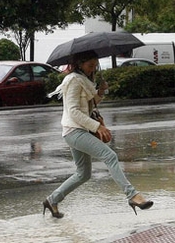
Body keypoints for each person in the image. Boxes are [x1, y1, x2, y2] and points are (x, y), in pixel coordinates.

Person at [43, 50, 153, 218]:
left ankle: (52, 200)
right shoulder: (73, 80)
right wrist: (97, 127)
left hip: (78, 130)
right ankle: (133, 196)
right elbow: (73, 111)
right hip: (74, 131)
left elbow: (88, 105)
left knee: (83, 173)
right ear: (80, 64)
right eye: (89, 65)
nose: (92, 69)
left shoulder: (84, 80)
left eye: (95, 65)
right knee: (110, 156)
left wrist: (100, 92)